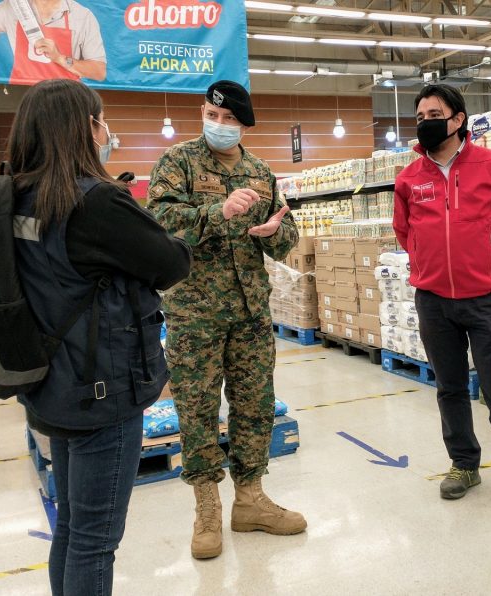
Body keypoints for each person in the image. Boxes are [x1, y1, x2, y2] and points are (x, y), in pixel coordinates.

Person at [0, 79, 190, 594]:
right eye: (100, 119)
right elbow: (171, 263)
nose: (107, 130)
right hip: (103, 389)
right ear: (84, 128)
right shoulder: (95, 203)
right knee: (95, 540)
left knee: (72, 526)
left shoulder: (17, 199)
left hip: (51, 383)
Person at [147, 80, 306, 560]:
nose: (217, 125)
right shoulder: (177, 162)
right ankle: (207, 509)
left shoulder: (259, 170)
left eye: (228, 120)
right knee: (196, 408)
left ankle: (251, 499)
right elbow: (160, 221)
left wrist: (276, 232)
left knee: (256, 404)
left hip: (251, 309)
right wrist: (218, 210)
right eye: (211, 116)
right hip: (194, 310)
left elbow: (285, 234)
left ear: (242, 124)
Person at [393, 84, 491, 514]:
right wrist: (428, 262)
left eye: (434, 113)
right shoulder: (409, 177)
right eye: (419, 116)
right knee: (449, 388)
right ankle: (464, 464)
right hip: (433, 299)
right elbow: (404, 231)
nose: (425, 122)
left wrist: (488, 261)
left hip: (485, 297)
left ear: (458, 119)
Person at [0, 0, 107, 83]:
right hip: (26, 99)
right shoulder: (13, 7)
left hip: (67, 100)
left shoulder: (82, 16)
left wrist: (59, 58)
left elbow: (99, 72)